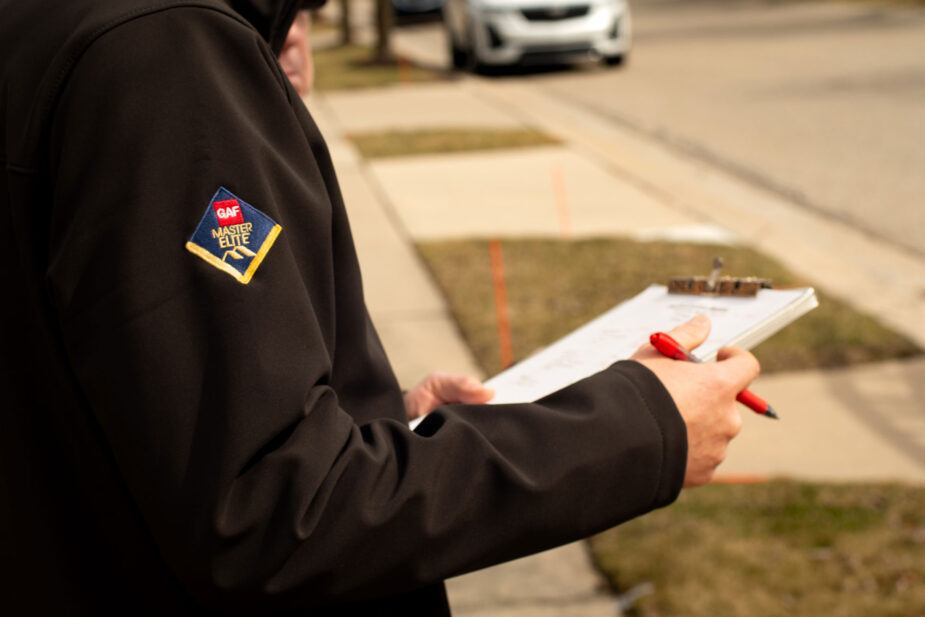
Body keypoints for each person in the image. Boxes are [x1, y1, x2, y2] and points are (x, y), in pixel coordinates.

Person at [0, 0, 757, 614]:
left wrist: (373, 416)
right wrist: (640, 428)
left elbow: (138, 404)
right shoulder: (163, 50)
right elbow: (271, 515)